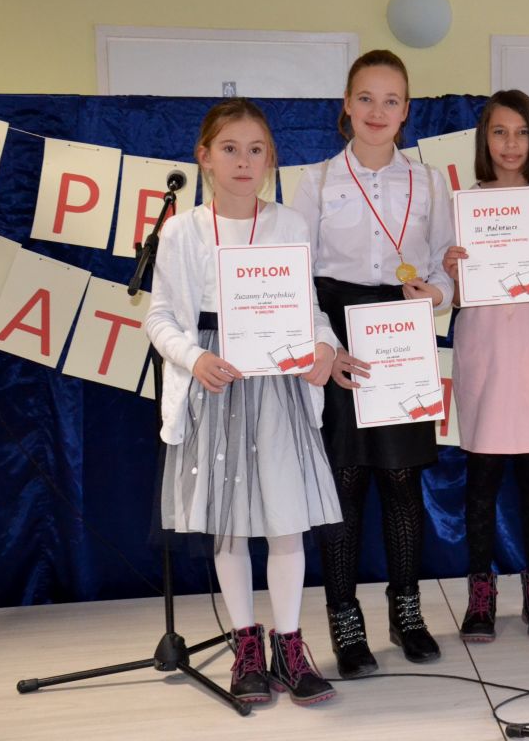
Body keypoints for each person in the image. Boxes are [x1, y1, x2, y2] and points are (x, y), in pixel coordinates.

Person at [145, 98, 340, 705]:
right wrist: (193, 358)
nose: (243, 161)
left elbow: (308, 308)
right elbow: (159, 315)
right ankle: (246, 645)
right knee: (229, 525)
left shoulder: (289, 224)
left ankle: (289, 645)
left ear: (271, 159)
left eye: (256, 150)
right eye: (230, 148)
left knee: (285, 520)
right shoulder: (181, 231)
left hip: (276, 384)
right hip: (218, 382)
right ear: (204, 157)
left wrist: (325, 346)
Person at [291, 50, 454, 676]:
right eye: (366, 98)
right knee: (345, 482)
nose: (377, 111)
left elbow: (444, 265)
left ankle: (406, 611)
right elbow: (298, 275)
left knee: (402, 480)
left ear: (406, 110)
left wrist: (436, 293)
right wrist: (325, 346)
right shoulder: (317, 181)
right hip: (339, 335)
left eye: (391, 100)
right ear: (346, 106)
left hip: (400, 333)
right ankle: (344, 619)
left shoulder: (430, 182)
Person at [441, 90, 529, 642]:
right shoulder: (462, 206)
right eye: (499, 132)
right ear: (484, 139)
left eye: (522, 132)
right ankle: (481, 593)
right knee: (481, 480)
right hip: (482, 352)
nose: (511, 144)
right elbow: (449, 295)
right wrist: (452, 270)